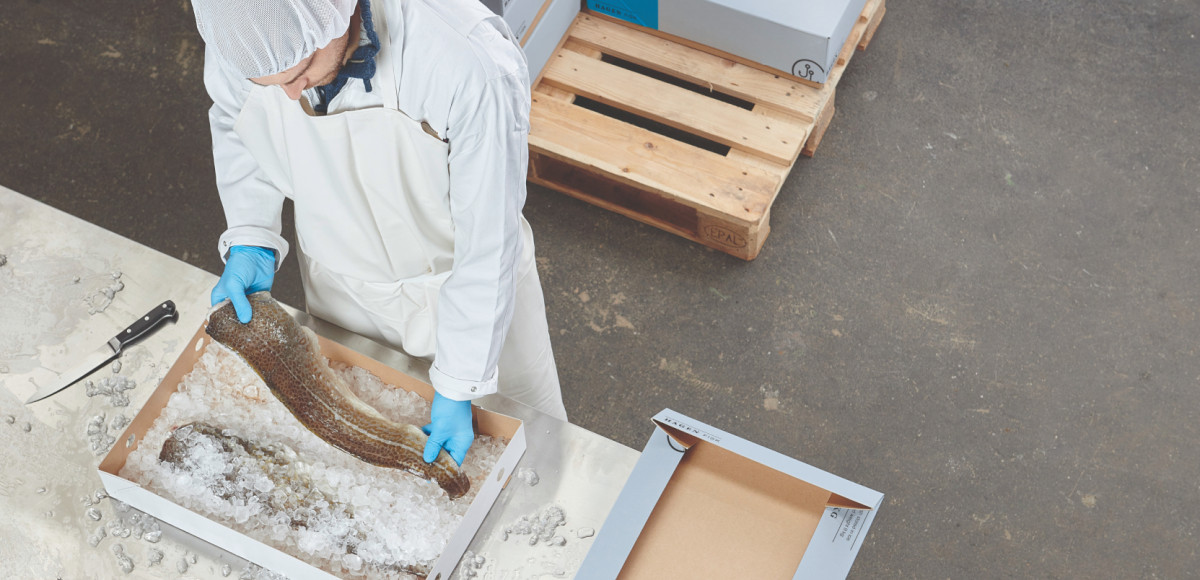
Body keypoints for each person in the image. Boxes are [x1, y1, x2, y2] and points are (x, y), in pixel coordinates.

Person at [191, 0, 567, 467]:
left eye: (300, 71)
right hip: (340, 289)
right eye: (272, 83)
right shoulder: (245, 29)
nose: (291, 95)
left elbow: (488, 240)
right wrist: (251, 232)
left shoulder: (467, 61)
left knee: (525, 471)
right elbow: (237, 119)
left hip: (466, 301)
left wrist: (460, 379)